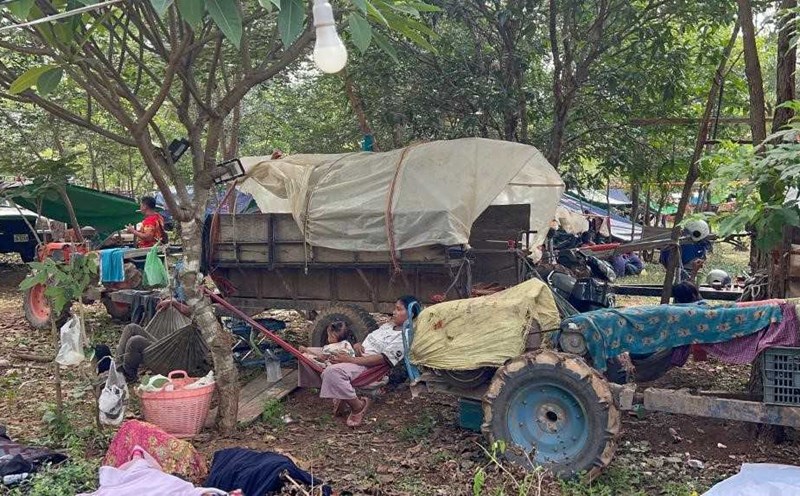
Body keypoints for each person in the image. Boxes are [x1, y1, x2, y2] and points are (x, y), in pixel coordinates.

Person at [303, 295, 420, 427]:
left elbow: (383, 358)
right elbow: (371, 342)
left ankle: (358, 406)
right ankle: (341, 392)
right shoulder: (388, 326)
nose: (394, 312)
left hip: (366, 367)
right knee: (306, 355)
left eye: (399, 309)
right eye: (395, 308)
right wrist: (358, 345)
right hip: (355, 357)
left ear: (410, 313)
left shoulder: (403, 336)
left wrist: (351, 360)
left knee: (331, 372)